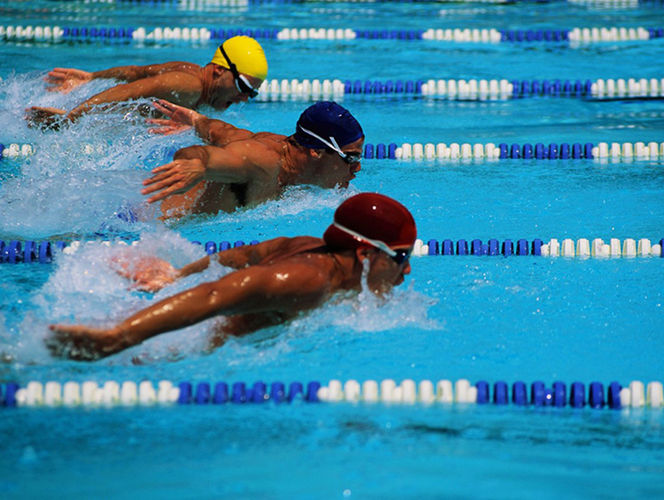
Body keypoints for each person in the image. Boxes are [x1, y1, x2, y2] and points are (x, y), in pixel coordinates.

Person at [48, 192, 417, 361]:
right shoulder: (307, 279)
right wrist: (119, 338)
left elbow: (246, 255)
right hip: (166, 352)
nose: (407, 269)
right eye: (401, 257)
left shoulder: (308, 246)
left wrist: (178, 274)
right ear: (365, 254)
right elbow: (214, 296)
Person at [141, 100, 365, 219]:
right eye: (350, 157)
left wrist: (196, 120)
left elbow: (225, 132)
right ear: (316, 151)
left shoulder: (286, 157)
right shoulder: (264, 162)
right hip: (145, 220)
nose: (357, 168)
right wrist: (196, 165)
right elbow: (204, 156)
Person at [25, 35, 268, 129]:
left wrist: (92, 77)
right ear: (219, 70)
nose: (245, 98)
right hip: (103, 124)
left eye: (252, 94)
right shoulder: (188, 86)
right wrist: (72, 117)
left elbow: (135, 72)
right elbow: (128, 91)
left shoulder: (192, 74)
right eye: (243, 87)